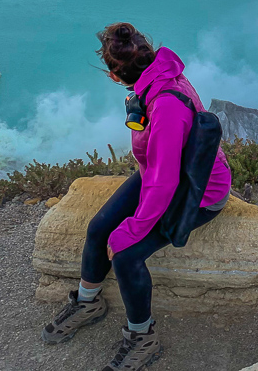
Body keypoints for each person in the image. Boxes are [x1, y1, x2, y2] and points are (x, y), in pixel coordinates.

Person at [42, 22, 232, 370]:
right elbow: (159, 169)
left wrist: (133, 228)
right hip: (164, 173)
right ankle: (88, 302)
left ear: (116, 75)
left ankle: (142, 337)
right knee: (100, 228)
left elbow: (164, 183)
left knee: (126, 253)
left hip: (198, 191)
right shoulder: (159, 74)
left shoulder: (166, 105)